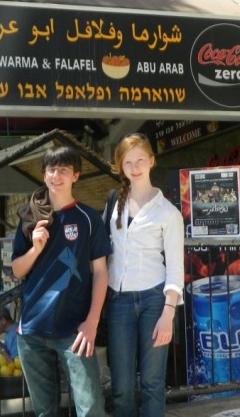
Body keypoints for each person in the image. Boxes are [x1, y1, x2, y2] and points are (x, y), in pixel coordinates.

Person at [11, 145, 110, 417]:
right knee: (44, 412)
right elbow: (17, 270)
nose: (56, 175)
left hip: (74, 331)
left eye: (63, 170)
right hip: (32, 329)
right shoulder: (29, 218)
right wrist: (35, 249)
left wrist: (92, 322)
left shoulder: (89, 219)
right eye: (51, 170)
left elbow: (101, 272)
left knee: (90, 408)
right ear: (44, 175)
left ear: (75, 175)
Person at [105, 133, 184, 417]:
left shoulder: (168, 212)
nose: (135, 167)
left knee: (152, 383)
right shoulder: (114, 202)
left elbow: (175, 268)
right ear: (120, 167)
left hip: (154, 301)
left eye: (140, 160)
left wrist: (168, 314)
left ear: (151, 161)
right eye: (128, 162)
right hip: (118, 302)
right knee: (121, 387)